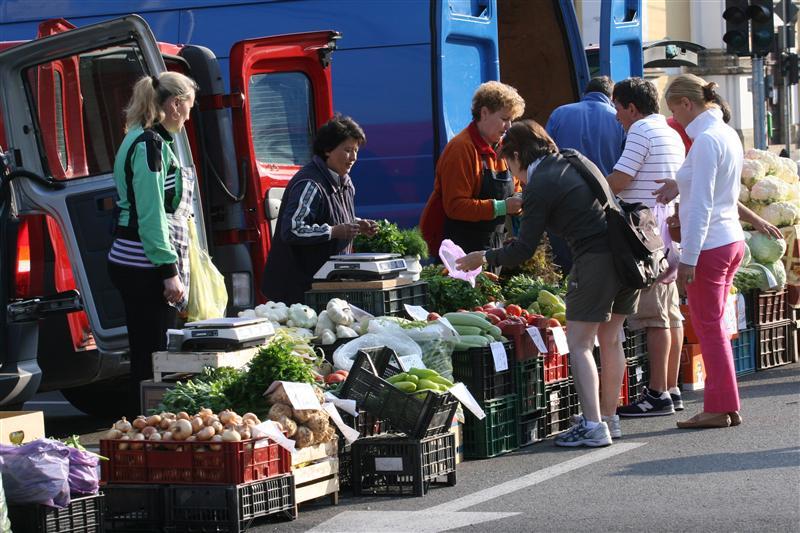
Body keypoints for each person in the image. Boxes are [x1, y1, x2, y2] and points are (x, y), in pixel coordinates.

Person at [455, 120, 639, 447]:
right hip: (626, 256)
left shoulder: (540, 183)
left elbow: (524, 248)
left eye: (509, 163)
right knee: (611, 341)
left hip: (595, 260)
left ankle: (594, 427)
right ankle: (609, 418)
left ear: (516, 155)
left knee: (581, 344)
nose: (513, 173)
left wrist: (482, 256)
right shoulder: (570, 159)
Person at [655, 74, 746, 429]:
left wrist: (688, 258)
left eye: (675, 109)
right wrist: (678, 184)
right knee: (715, 327)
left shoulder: (706, 140)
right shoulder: (723, 134)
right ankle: (726, 403)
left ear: (687, 103)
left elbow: (703, 205)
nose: (675, 118)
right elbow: (714, 183)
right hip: (729, 240)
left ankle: (719, 406)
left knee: (709, 329)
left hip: (710, 245)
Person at [107, 72, 198, 414]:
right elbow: (151, 215)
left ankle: (141, 426)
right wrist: (168, 270)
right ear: (175, 105)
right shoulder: (149, 146)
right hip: (141, 264)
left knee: (147, 353)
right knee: (153, 357)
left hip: (131, 259)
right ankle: (145, 427)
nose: (190, 115)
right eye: (189, 105)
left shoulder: (136, 137)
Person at [604, 78, 686, 428]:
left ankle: (656, 394)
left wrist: (588, 189)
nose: (617, 115)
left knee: (654, 317)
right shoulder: (669, 131)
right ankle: (671, 387)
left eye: (619, 108)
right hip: (667, 230)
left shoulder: (640, 132)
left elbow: (621, 180)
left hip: (645, 231)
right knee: (670, 312)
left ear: (632, 108)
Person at [262, 115, 378, 304]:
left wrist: (357, 224)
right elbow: (292, 230)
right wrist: (334, 231)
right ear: (327, 150)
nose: (353, 158)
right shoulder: (310, 183)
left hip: (327, 284)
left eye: (356, 151)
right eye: (347, 150)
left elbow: (329, 215)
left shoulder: (345, 182)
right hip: (300, 290)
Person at [419, 81, 525, 256]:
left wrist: (519, 201)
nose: (509, 127)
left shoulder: (502, 148)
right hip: (459, 248)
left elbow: (516, 188)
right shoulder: (461, 149)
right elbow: (455, 206)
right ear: (484, 113)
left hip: (492, 243)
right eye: (504, 119)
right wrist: (502, 207)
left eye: (511, 120)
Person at [544, 76, 626, 274]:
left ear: (585, 94)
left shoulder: (560, 113)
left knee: (565, 265)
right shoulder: (619, 118)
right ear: (611, 97)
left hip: (563, 201)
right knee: (598, 265)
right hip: (603, 203)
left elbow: (544, 155)